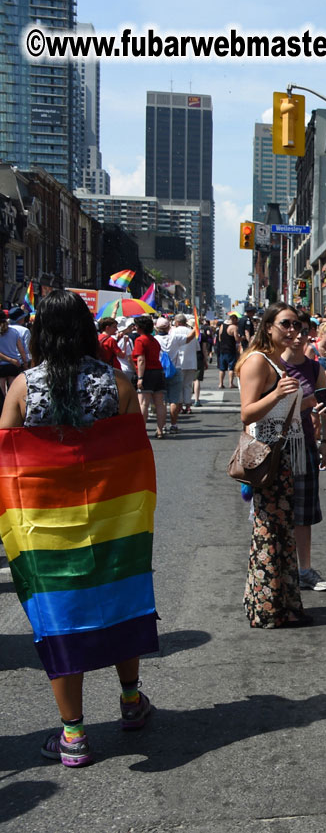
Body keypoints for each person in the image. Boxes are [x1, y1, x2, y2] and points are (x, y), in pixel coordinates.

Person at [0, 290, 154, 767]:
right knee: (120, 604)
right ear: (87, 331)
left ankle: (73, 736)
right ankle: (131, 702)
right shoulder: (117, 383)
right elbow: (135, 458)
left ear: (41, 334)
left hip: (46, 529)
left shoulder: (24, 387)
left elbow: (8, 461)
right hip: (112, 523)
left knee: (59, 619)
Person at [238, 302, 309, 630]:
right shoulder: (257, 361)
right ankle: (267, 608)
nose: (293, 331)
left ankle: (280, 605)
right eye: (286, 324)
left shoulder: (273, 361)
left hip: (279, 455)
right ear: (268, 326)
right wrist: (279, 392)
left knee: (280, 530)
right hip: (266, 456)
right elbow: (247, 413)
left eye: (297, 325)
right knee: (268, 530)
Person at [281, 312, 326, 594]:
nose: (298, 334)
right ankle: (280, 569)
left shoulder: (314, 368)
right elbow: (261, 412)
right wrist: (305, 402)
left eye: (303, 330)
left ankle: (304, 569)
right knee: (276, 513)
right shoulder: (272, 365)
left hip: (307, 445)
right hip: (276, 447)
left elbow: (324, 406)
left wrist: (325, 442)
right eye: (292, 328)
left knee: (304, 513)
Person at [130, 316, 167, 439]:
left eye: (136, 326)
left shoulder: (140, 340)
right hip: (158, 371)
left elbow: (141, 359)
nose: (134, 328)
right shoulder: (154, 340)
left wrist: (140, 377)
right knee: (160, 403)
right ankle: (160, 430)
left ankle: (142, 431)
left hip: (147, 372)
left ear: (140, 327)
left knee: (144, 403)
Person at [153, 317, 191, 435]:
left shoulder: (154, 340)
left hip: (160, 372)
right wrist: (195, 328)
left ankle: (162, 425)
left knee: (161, 401)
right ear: (169, 327)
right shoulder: (174, 338)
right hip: (175, 370)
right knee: (174, 400)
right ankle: (174, 425)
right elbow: (189, 338)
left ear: (156, 328)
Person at [217, 314, 240, 388]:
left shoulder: (222, 326)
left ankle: (220, 383)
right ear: (234, 319)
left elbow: (219, 338)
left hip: (222, 349)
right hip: (231, 349)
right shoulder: (234, 327)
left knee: (222, 368)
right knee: (231, 367)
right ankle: (231, 383)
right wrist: (241, 338)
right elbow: (236, 339)